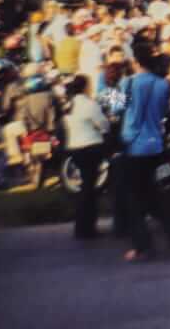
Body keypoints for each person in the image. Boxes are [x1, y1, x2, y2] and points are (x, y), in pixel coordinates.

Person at [121, 43, 170, 262]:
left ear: (136, 63)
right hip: (157, 144)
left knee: (134, 197)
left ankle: (141, 244)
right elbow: (164, 111)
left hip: (135, 146)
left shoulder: (128, 83)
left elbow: (118, 107)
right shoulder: (162, 85)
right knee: (161, 190)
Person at [61, 75, 109, 239]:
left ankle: (82, 227)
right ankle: (87, 228)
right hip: (90, 147)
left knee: (85, 188)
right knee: (89, 190)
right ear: (85, 87)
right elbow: (103, 124)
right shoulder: (89, 104)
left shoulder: (70, 104)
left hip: (75, 148)